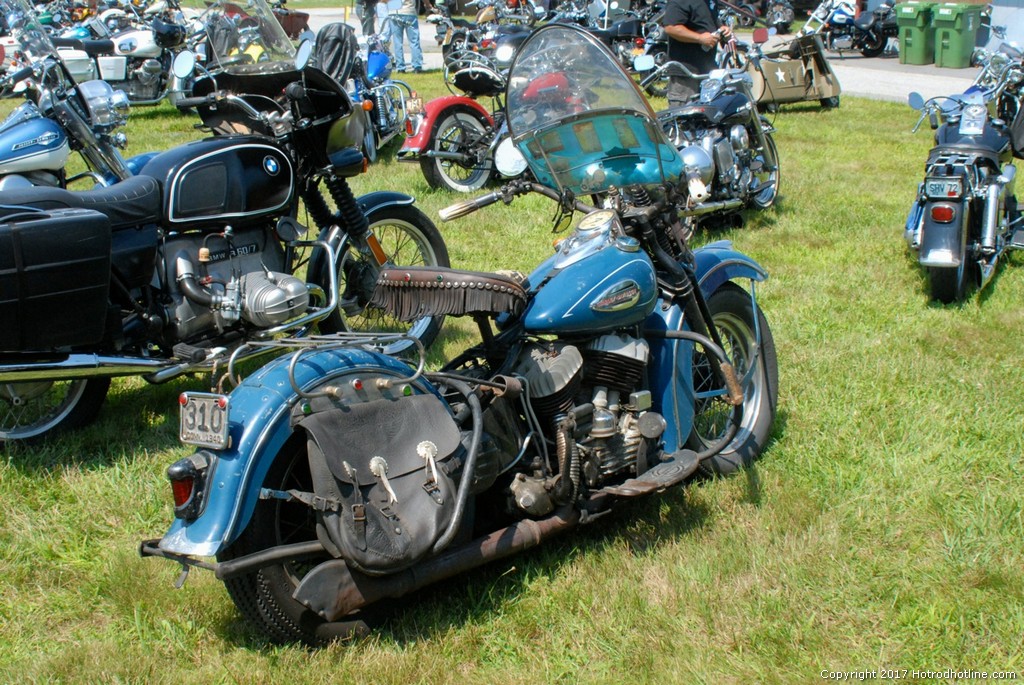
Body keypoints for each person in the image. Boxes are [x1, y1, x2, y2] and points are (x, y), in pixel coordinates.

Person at [661, 0, 730, 107]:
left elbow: (708, 23)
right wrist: (699, 38)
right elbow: (671, 27)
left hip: (707, 69)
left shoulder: (709, 2)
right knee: (683, 116)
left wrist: (722, 29)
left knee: (707, 116)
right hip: (686, 72)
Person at [390, 0, 434, 73]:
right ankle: (417, 66)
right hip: (409, 11)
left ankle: (400, 67)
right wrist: (428, 4)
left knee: (397, 42)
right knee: (414, 41)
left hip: (394, 12)